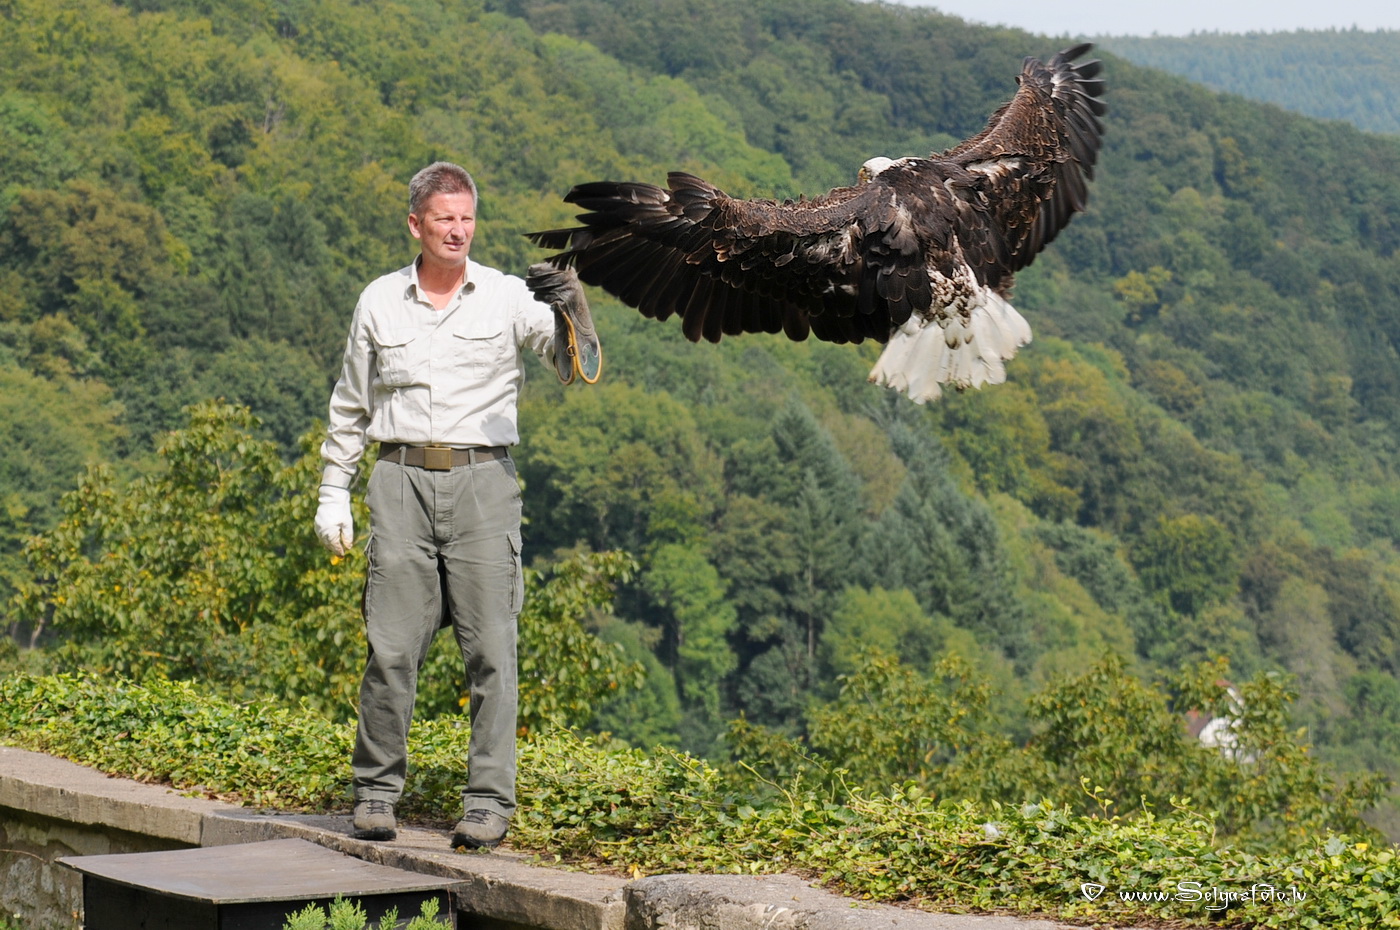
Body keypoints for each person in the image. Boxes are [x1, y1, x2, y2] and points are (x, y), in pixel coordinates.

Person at [314, 161, 592, 850]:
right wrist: (332, 490)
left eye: (466, 218)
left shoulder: (505, 295)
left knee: (492, 650)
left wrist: (572, 305)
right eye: (444, 219)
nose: (458, 230)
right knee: (391, 649)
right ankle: (376, 793)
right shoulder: (378, 300)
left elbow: (571, 364)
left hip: (483, 481)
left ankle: (489, 803)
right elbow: (351, 404)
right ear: (416, 223)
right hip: (399, 477)